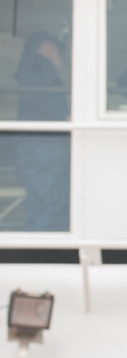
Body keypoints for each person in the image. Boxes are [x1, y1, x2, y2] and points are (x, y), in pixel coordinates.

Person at [12, 32, 71, 231]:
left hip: (32, 145)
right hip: (45, 145)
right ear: (47, 47)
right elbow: (43, 101)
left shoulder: (28, 70)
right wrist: (64, 117)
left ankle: (29, 251)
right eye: (61, 51)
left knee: (40, 204)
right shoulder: (40, 69)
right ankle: (40, 251)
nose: (64, 57)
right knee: (59, 202)